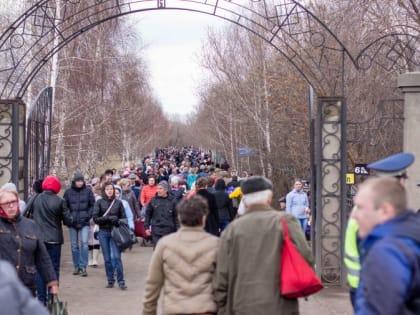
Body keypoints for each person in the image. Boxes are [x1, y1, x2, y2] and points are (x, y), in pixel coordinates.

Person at [214, 176, 312, 314]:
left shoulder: (232, 230)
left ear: (244, 201)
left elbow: (222, 275)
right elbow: (306, 258)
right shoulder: (285, 222)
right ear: (269, 197)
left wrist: (223, 307)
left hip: (241, 304)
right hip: (281, 303)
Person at [344, 152, 415, 308]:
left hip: (365, 283)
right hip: (365, 282)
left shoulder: (389, 247)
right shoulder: (398, 225)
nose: (355, 215)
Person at [352, 177, 420, 314]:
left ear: (385, 210)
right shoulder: (410, 233)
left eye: (360, 207)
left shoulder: (387, 251)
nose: (354, 215)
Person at [142, 195, 219, 315]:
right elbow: (225, 283)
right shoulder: (216, 245)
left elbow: (153, 284)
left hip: (174, 308)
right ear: (204, 218)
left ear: (179, 217)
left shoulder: (165, 244)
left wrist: (148, 311)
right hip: (205, 308)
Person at [0, 188, 58, 299]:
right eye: (7, 203)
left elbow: (42, 256)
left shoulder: (30, 225)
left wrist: (52, 282)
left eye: (14, 202)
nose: (11, 206)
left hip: (27, 287)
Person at [32, 175, 73, 304]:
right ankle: (52, 297)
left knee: (39, 268)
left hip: (39, 239)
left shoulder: (35, 199)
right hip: (54, 239)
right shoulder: (60, 201)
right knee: (54, 268)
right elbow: (68, 221)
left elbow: (24, 214)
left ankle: (41, 298)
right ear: (57, 187)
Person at [92, 183, 127, 290]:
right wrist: (108, 218)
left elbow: (124, 218)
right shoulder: (99, 202)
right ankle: (110, 280)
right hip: (103, 232)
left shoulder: (118, 203)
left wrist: (117, 220)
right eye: (107, 189)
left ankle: (121, 281)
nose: (110, 191)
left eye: (111, 189)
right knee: (107, 259)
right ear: (104, 191)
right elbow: (95, 218)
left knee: (117, 257)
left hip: (115, 232)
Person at [63, 172, 95, 277]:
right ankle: (76, 266)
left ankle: (83, 267)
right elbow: (64, 206)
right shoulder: (68, 192)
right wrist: (68, 218)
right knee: (74, 245)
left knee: (84, 243)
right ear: (74, 181)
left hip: (84, 221)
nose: (80, 183)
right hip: (72, 222)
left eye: (81, 181)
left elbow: (92, 205)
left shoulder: (88, 192)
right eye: (78, 181)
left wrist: (88, 215)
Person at [145, 181, 178, 246]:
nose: (158, 190)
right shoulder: (153, 200)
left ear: (166, 190)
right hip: (156, 230)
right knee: (157, 251)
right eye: (157, 189)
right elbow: (148, 214)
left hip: (169, 230)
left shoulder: (173, 201)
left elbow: (176, 217)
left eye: (160, 189)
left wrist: (178, 230)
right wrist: (147, 227)